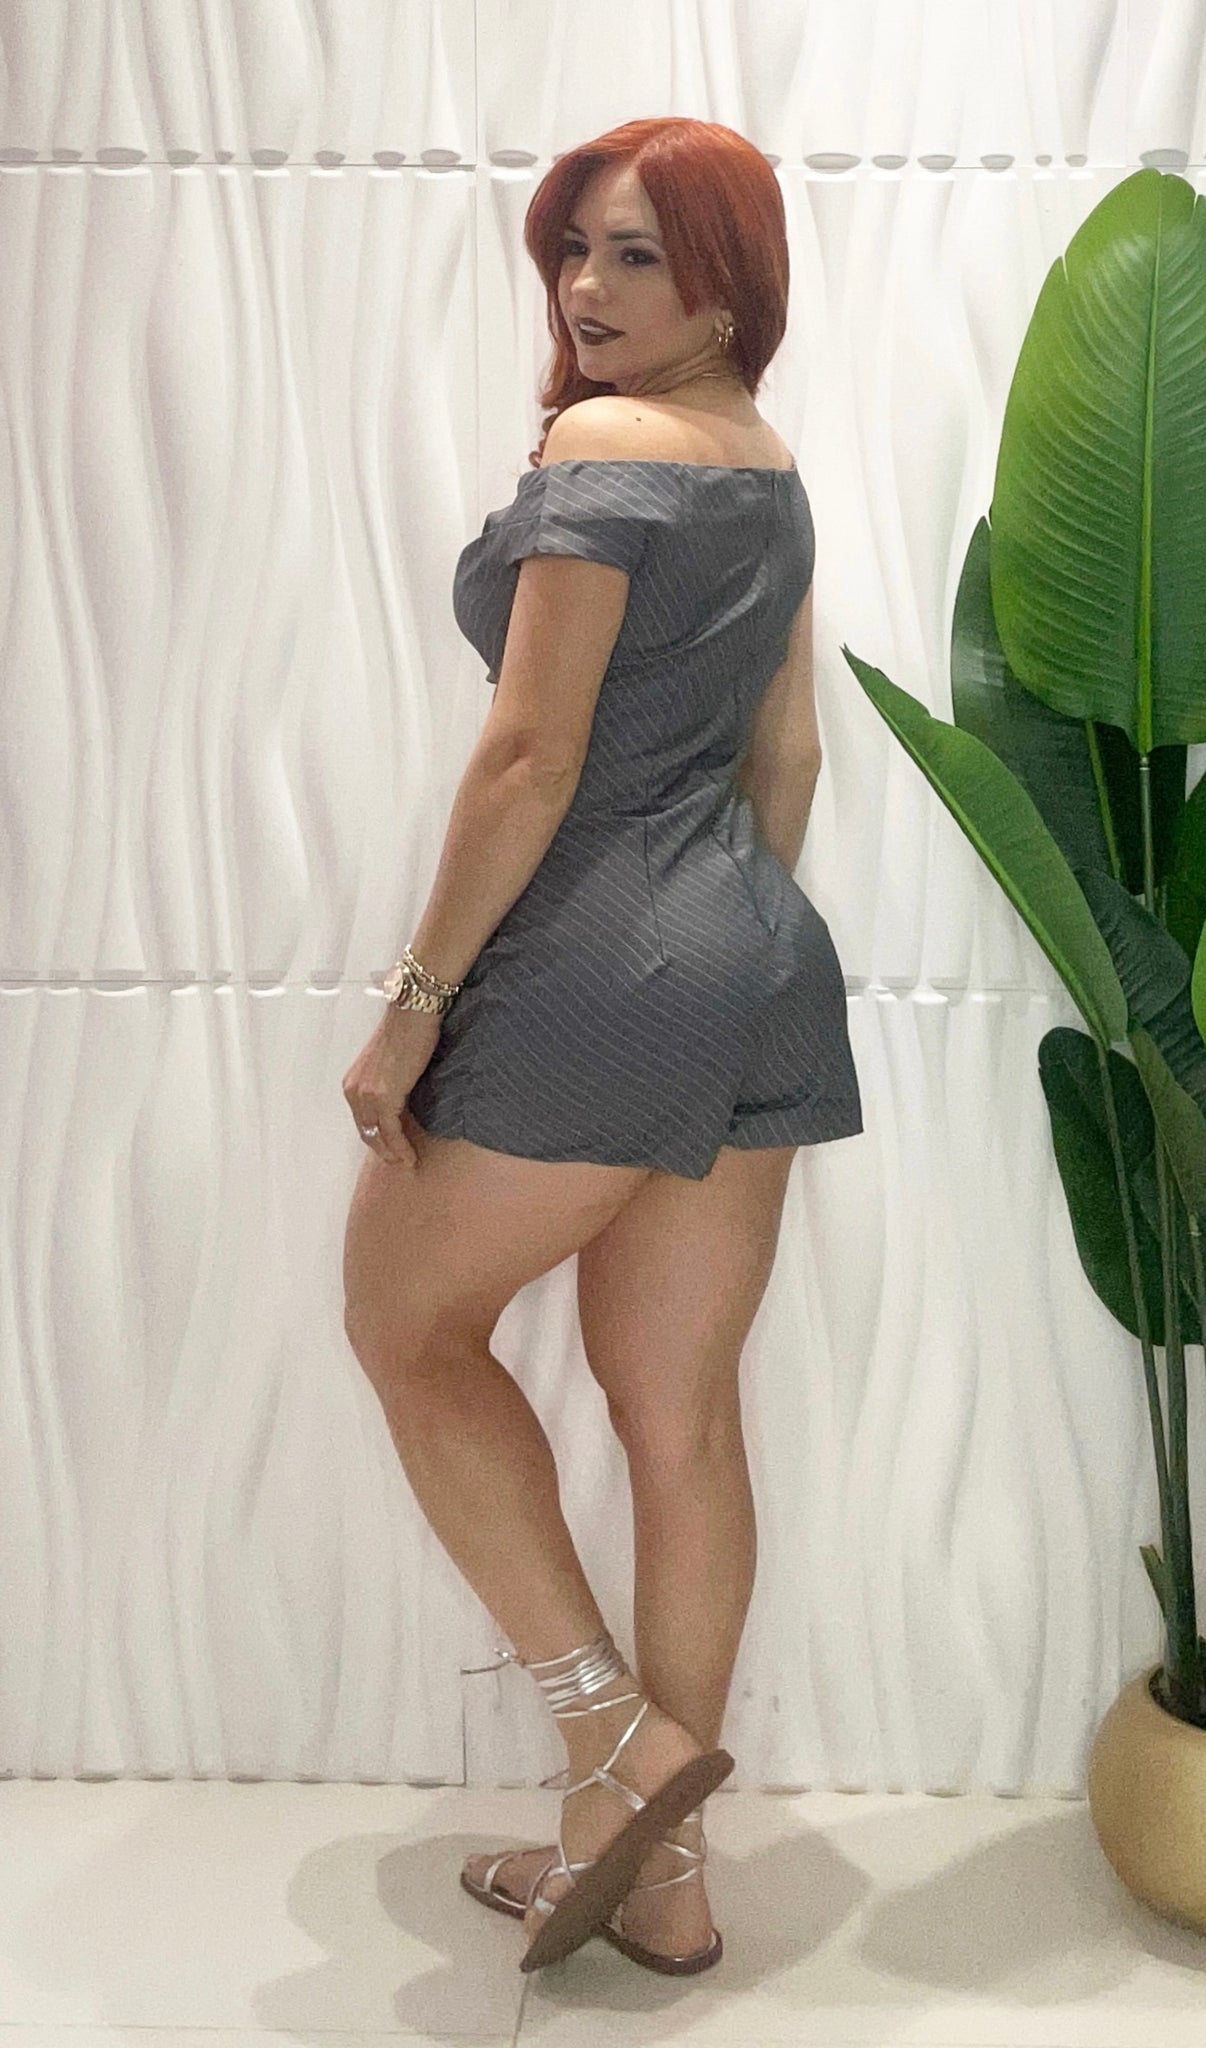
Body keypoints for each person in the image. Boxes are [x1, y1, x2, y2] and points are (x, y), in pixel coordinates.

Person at [338, 116, 863, 1978]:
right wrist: (724, 960)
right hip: (754, 954)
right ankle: (665, 1880)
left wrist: (413, 1008)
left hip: (595, 957)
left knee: (404, 1328)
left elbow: (529, 756)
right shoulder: (766, 465)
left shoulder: (604, 447)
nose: (584, 285)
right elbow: (786, 758)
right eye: (572, 247)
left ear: (729, 280)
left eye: (636, 253)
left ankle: (616, 1741)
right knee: (681, 1416)